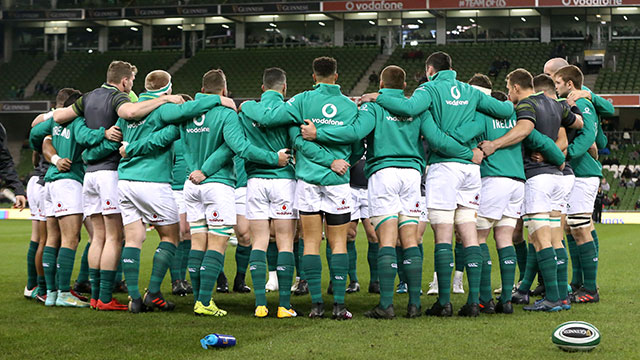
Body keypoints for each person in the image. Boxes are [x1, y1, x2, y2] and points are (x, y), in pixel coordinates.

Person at [301, 65, 481, 318]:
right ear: (405, 86)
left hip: (384, 173)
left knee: (386, 239)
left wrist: (319, 132)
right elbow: (435, 137)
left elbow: (354, 133)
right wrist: (468, 151)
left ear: (381, 86)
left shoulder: (374, 107)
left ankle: (386, 305)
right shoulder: (418, 109)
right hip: (411, 176)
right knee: (409, 239)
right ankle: (414, 305)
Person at [360, 51, 514, 317]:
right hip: (471, 171)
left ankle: (444, 302)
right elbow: (506, 109)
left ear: (430, 69)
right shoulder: (470, 91)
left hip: (445, 167)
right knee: (469, 235)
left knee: (443, 236)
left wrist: (379, 96)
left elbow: (411, 112)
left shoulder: (428, 90)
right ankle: (474, 303)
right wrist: (473, 126)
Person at [41, 61, 186, 311]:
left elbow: (64, 122)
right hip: (111, 174)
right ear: (126, 81)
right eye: (130, 81)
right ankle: (108, 296)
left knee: (99, 237)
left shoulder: (86, 99)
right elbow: (129, 115)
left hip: (90, 174)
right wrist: (165, 101)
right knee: (115, 238)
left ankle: (98, 296)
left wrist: (88, 152)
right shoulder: (121, 100)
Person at [83, 70, 228, 313]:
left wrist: (87, 155)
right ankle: (153, 292)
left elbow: (112, 141)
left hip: (125, 181)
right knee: (172, 236)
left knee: (133, 238)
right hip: (153, 181)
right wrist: (218, 99)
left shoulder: (129, 110)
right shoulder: (163, 108)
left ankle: (134, 298)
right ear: (168, 89)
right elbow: (186, 114)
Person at [241, 57, 363, 320]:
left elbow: (296, 138)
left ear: (313, 76)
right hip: (337, 182)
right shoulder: (349, 106)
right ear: (337, 76)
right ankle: (339, 306)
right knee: (338, 243)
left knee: (309, 243)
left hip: (308, 181)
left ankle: (316, 306)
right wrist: (339, 164)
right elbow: (357, 145)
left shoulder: (302, 101)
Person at [450, 74, 566, 314]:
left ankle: (482, 300)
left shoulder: (482, 117)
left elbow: (459, 136)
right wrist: (559, 159)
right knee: (504, 239)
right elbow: (542, 141)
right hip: (518, 183)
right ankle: (505, 300)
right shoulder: (516, 118)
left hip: (493, 180)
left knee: (478, 238)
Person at [182, 69, 289, 316]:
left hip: (192, 183)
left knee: (198, 242)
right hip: (216, 183)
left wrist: (194, 170)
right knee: (217, 243)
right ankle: (205, 302)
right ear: (223, 91)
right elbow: (237, 147)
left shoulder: (188, 114)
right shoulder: (226, 113)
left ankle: (199, 299)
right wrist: (273, 158)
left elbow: (183, 145)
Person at [479, 68, 583, 312]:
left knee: (539, 237)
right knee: (556, 238)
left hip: (538, 178)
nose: (508, 93)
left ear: (516, 87)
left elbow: (525, 130)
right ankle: (562, 297)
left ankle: (553, 298)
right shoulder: (556, 105)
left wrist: (495, 144)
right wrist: (555, 152)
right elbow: (576, 125)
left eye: (508, 88)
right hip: (559, 176)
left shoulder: (526, 105)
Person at [30, 88, 122, 308]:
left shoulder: (54, 122)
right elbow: (85, 137)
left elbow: (35, 134)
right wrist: (105, 133)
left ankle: (50, 293)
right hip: (69, 182)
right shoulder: (78, 121)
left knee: (52, 239)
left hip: (50, 182)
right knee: (71, 239)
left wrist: (50, 150)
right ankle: (63, 293)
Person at [554, 65, 601, 303]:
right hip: (578, 174)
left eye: (558, 83)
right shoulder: (571, 105)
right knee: (573, 228)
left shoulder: (582, 104)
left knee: (581, 227)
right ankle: (579, 282)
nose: (556, 87)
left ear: (569, 84)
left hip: (584, 174)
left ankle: (590, 288)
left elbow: (590, 136)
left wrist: (565, 154)